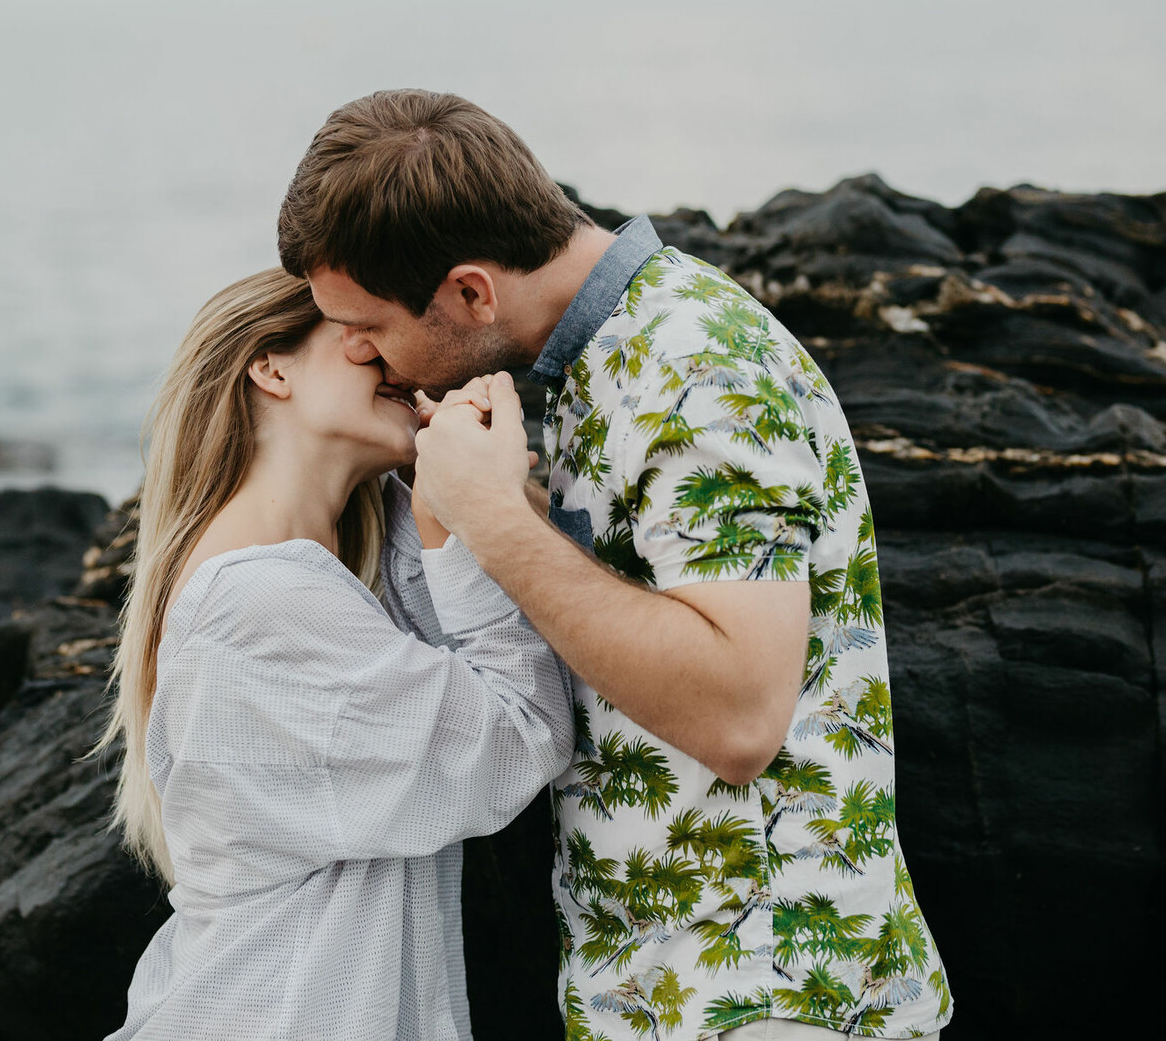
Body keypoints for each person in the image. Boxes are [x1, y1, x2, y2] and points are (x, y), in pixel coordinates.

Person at [278, 89, 954, 1040]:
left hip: (771, 995)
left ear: (472, 290)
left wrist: (495, 523)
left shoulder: (697, 369)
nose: (355, 352)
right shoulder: (580, 366)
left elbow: (740, 712)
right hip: (666, 992)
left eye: (369, 325)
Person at [85, 267, 575, 1041]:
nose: (391, 356)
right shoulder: (259, 602)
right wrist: (465, 517)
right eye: (359, 332)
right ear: (270, 366)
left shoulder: (346, 568)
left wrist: (458, 475)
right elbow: (519, 735)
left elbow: (534, 605)